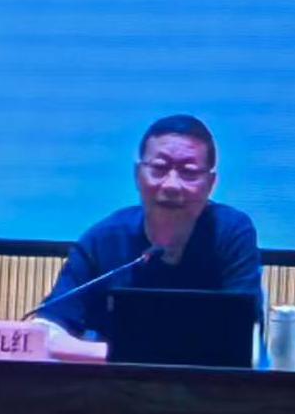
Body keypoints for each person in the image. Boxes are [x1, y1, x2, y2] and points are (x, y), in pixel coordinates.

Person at [36, 114, 261, 359]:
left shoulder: (230, 233)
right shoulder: (104, 238)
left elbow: (246, 338)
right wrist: (122, 356)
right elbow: (45, 333)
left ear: (211, 183)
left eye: (188, 172)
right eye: (159, 169)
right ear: (137, 175)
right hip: (114, 381)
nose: (171, 185)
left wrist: (136, 355)